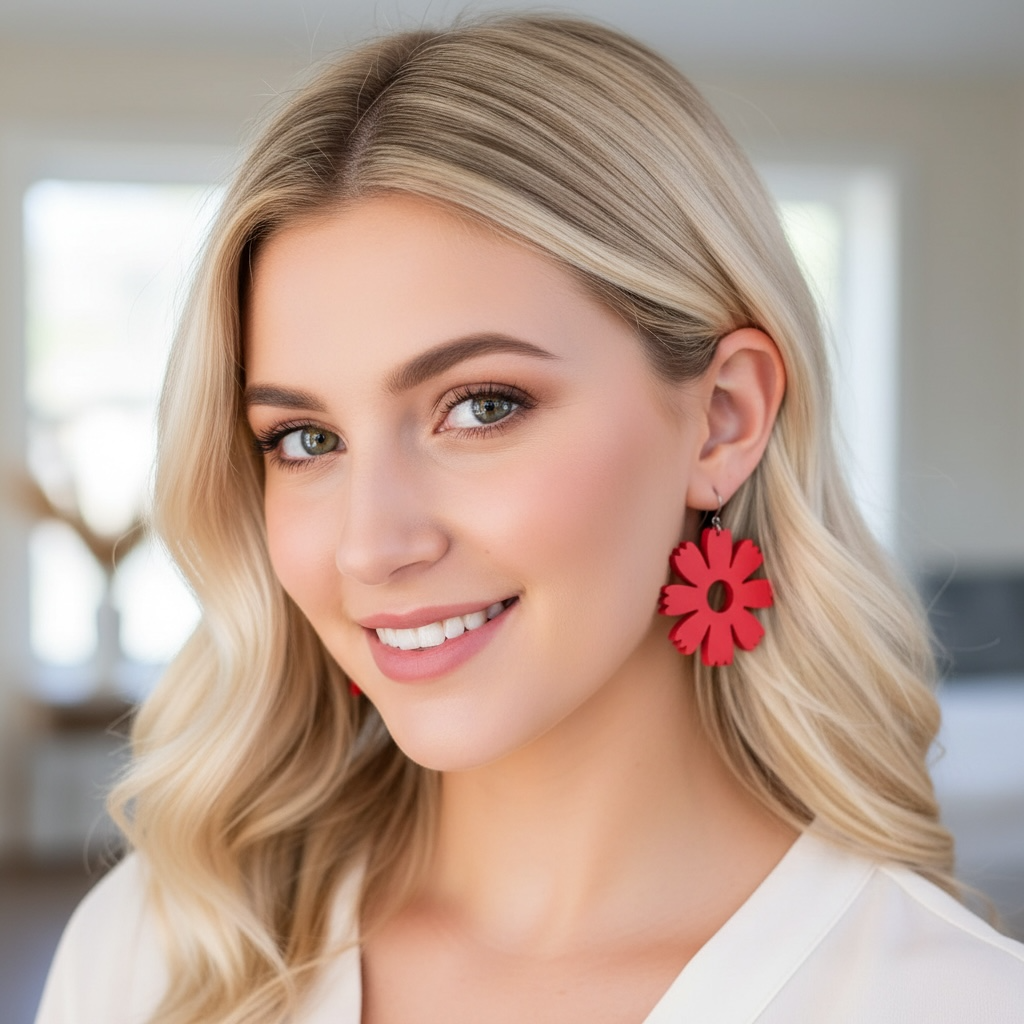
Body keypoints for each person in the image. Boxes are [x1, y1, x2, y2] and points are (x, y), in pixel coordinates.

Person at [36, 13, 1024, 1024]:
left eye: (481, 406)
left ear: (723, 418)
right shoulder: (161, 951)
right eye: (306, 438)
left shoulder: (952, 1003)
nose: (371, 546)